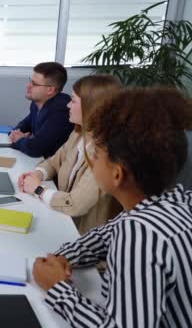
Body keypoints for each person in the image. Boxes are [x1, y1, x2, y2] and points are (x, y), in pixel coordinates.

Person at [33, 88, 192, 327]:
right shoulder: (176, 200)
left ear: (117, 174)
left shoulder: (141, 237)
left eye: (96, 154)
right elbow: (105, 235)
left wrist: (57, 289)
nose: (91, 159)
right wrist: (63, 256)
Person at [18, 75, 122, 234]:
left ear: (92, 107)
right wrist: (36, 174)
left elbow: (75, 204)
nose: (67, 105)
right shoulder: (79, 133)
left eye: (73, 101)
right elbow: (53, 162)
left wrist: (38, 190)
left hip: (82, 237)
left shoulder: (107, 152)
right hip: (62, 219)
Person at [9, 62, 74, 158]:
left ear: (50, 90)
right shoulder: (37, 103)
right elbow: (25, 125)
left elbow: (35, 148)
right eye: (30, 81)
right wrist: (16, 132)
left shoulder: (61, 111)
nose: (28, 86)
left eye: (34, 84)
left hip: (55, 168)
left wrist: (19, 140)